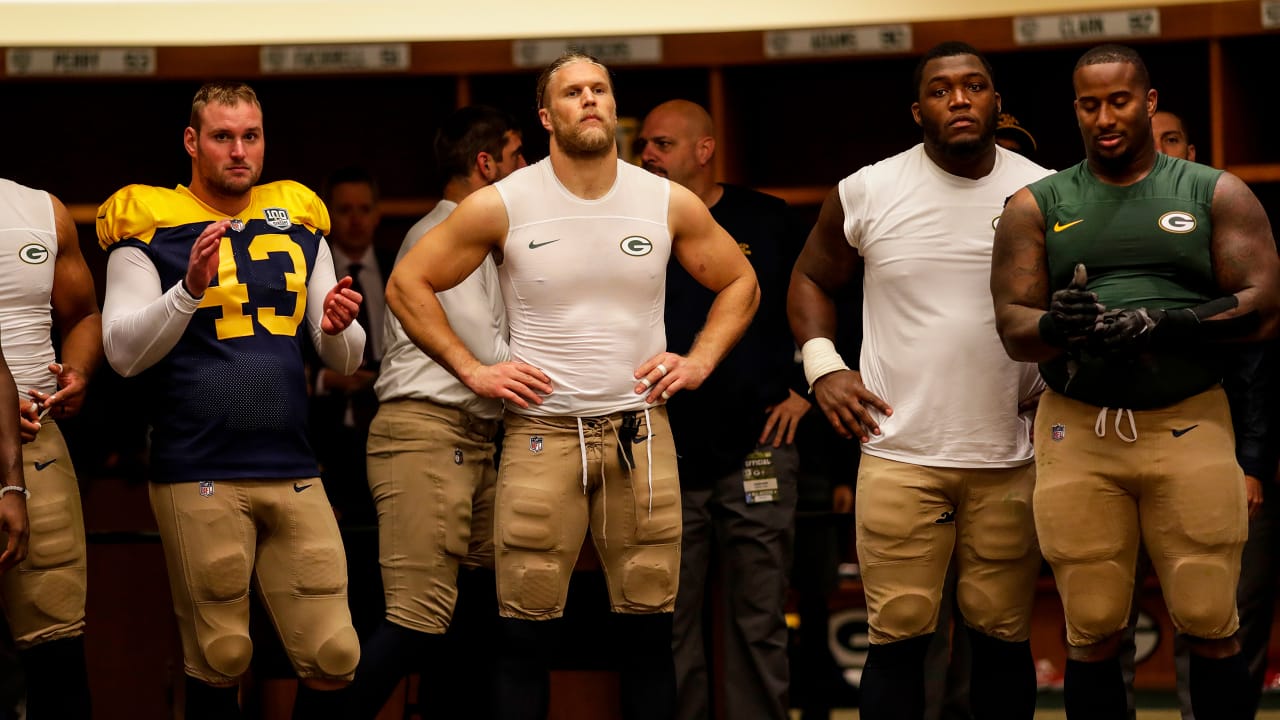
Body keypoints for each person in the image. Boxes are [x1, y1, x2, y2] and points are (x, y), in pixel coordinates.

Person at [385, 52, 759, 720]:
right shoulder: (505, 200)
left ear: (614, 106)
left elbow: (741, 282)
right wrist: (472, 369)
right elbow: (407, 283)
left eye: (600, 90)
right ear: (546, 115)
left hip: (639, 433)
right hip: (541, 435)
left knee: (649, 634)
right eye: (572, 92)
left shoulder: (662, 199)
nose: (589, 100)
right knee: (524, 632)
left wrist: (698, 360)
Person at [990, 43, 1280, 720]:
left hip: (1190, 418)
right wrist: (1062, 324)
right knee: (1090, 622)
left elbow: (1265, 305)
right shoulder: (1038, 201)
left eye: (1119, 100)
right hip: (1080, 425)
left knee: (1210, 612)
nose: (1104, 117)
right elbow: (1012, 325)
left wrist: (1167, 324)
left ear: (1148, 102)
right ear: (1076, 111)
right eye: (1089, 105)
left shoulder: (1214, 191)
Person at [788, 40, 1051, 720]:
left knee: (1002, 641)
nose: (959, 99)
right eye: (941, 89)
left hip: (1011, 453)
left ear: (997, 102)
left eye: (974, 86)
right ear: (917, 110)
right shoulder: (870, 189)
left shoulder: (1044, 190)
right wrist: (825, 370)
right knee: (898, 639)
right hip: (899, 452)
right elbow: (812, 276)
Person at [96, 81, 367, 720]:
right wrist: (186, 289)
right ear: (193, 142)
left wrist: (337, 327)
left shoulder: (298, 221)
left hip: (295, 466)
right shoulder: (150, 227)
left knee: (334, 655)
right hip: (199, 466)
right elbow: (121, 353)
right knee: (221, 657)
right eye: (223, 136)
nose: (239, 151)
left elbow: (346, 357)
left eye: (250, 136)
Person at [346, 104, 526, 719]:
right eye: (516, 157)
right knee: (417, 619)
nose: (525, 169)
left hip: (474, 439)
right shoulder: (439, 236)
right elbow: (488, 353)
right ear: (485, 165)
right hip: (425, 432)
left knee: (476, 620)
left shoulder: (478, 236)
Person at [637, 98, 807, 720]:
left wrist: (808, 388)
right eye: (645, 145)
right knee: (669, 624)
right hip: (663, 451)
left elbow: (814, 300)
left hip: (758, 444)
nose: (647, 155)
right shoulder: (637, 225)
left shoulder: (767, 219)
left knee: (759, 620)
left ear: (704, 150)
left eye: (661, 144)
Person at [1116, 107, 1280, 720]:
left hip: (1220, 451)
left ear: (1191, 153)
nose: (1159, 150)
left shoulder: (1225, 223)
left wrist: (1252, 461)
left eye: (1172, 139)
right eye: (1148, 140)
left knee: (1219, 617)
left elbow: (1259, 354)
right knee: (1105, 619)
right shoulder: (1095, 229)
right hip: (1113, 445)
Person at [0, 177, 100, 718]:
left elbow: (83, 315)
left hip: (37, 442)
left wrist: (78, 371)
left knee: (57, 653)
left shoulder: (42, 211)